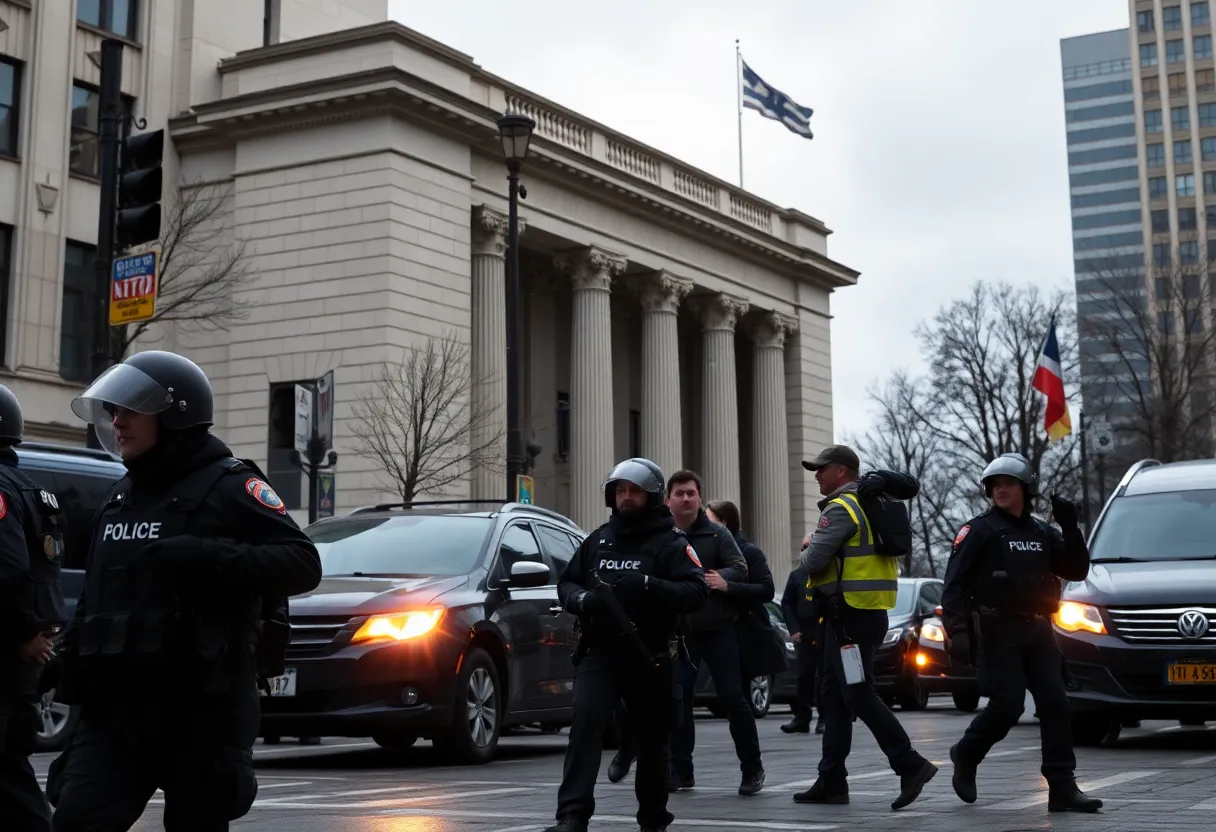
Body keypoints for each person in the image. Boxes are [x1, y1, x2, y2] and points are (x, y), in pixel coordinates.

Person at [46, 351, 323, 832]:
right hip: (117, 710)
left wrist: (208, 554)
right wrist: (61, 659)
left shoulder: (229, 485)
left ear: (175, 415)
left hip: (202, 708)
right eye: (113, 411)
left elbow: (303, 563)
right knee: (76, 821)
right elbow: (97, 597)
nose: (117, 422)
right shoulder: (121, 495)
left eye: (131, 410)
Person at [545, 457, 708, 832]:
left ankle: (653, 818)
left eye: (635, 491)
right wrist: (583, 600)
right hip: (600, 653)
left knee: (652, 741)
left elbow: (697, 592)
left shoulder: (671, 543)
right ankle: (572, 816)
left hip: (650, 655)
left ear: (652, 496)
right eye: (620, 490)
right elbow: (567, 583)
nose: (626, 497)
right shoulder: (598, 539)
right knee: (585, 725)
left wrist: (651, 585)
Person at [942, 452, 1101, 813]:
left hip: (1039, 630)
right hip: (998, 631)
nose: (1000, 490)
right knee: (1008, 706)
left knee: (1056, 703)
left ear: (1026, 489)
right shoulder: (979, 531)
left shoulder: (1042, 532)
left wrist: (1070, 527)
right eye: (995, 485)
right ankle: (966, 753)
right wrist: (958, 631)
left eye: (1009, 484)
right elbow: (953, 587)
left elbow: (1076, 570)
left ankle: (1062, 787)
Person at [795, 445, 937, 811]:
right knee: (833, 697)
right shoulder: (874, 504)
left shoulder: (841, 509)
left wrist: (807, 545)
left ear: (842, 471)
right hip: (866, 614)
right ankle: (831, 780)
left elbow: (812, 561)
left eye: (821, 469)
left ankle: (910, 765)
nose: (817, 475)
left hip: (848, 619)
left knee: (858, 694)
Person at [665, 470, 763, 796]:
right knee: (679, 698)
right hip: (681, 633)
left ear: (699, 497)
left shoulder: (718, 533)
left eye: (691, 493)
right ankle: (680, 771)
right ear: (668, 500)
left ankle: (752, 769)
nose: (686, 498)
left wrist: (720, 578)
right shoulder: (663, 534)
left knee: (733, 697)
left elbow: (740, 567)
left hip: (719, 628)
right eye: (679, 493)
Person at [0, 385, 67, 832]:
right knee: (10, 772)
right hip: (22, 655)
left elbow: (7, 569)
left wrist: (22, 634)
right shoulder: (34, 489)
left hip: (8, 652)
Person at [779, 564, 824, 734]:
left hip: (825, 630)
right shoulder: (797, 575)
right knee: (804, 675)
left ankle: (825, 718)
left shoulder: (828, 571)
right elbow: (787, 603)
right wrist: (794, 629)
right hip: (804, 632)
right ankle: (802, 718)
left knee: (824, 676)